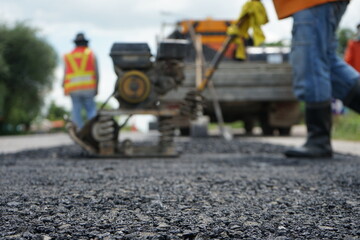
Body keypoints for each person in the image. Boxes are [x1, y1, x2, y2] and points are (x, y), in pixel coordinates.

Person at [272, 1, 360, 158]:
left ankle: (319, 140)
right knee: (327, 64)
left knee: (311, 61)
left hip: (312, 2)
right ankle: (318, 139)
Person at [63, 32, 99, 130]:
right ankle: (93, 131)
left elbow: (65, 73)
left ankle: (80, 132)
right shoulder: (91, 54)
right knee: (91, 110)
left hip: (73, 88)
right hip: (89, 87)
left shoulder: (68, 55)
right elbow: (96, 72)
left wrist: (64, 87)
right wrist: (97, 87)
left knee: (76, 111)